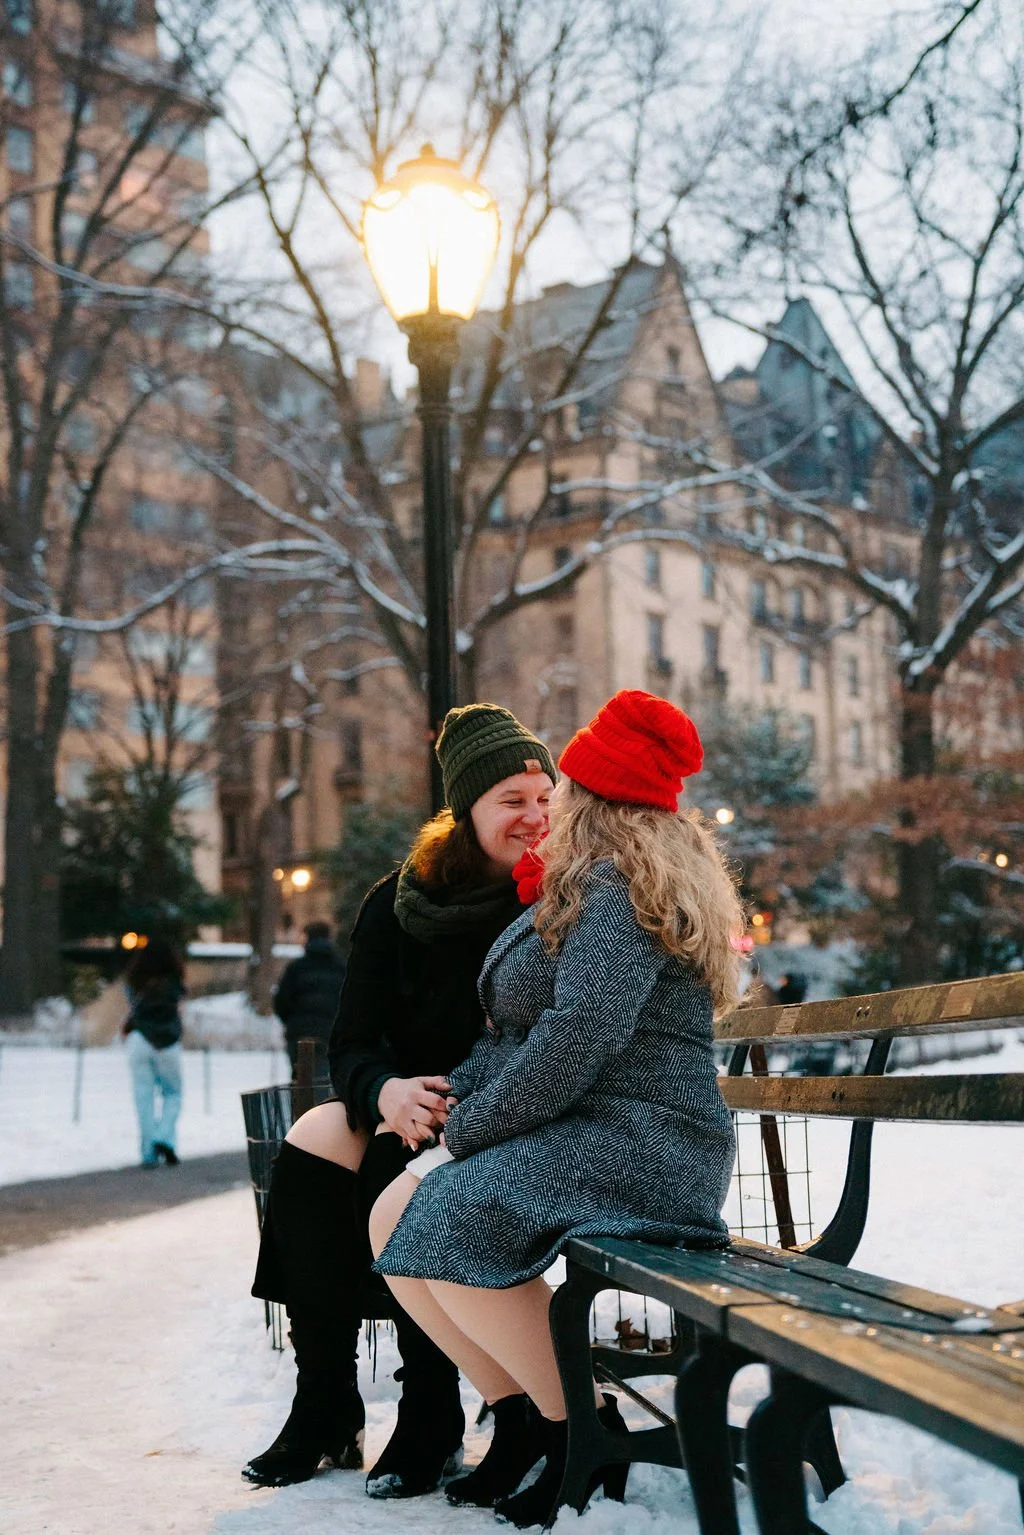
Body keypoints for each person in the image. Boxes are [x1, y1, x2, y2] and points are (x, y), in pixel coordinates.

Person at [369, 689, 746, 1528]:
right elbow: (528, 1034)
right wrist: (454, 1099)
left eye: (567, 782)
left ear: (596, 796)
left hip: (647, 1140)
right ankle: (521, 1419)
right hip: (600, 1125)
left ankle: (578, 1426)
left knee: (444, 1215)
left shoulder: (620, 887)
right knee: (394, 1222)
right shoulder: (589, 882)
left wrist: (468, 1129)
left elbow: (578, 1038)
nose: (555, 800)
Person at [242, 703, 557, 1499]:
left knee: (398, 1157)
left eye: (543, 794)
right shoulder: (400, 901)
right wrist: (386, 1089)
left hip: (500, 1109)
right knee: (312, 1142)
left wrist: (424, 1104)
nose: (535, 814)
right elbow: (351, 1039)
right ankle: (326, 1400)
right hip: (405, 1100)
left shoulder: (554, 895)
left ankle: (430, 1405)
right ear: (467, 808)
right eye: (512, 799)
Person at [122, 938, 187, 1169]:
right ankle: (164, 1136)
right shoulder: (176, 983)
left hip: (139, 1039)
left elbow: (130, 1006)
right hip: (168, 1042)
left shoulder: (134, 981)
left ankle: (148, 1152)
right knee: (173, 1094)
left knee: (143, 1097)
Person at [273, 921, 347, 1079]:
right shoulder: (341, 968)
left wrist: (293, 1022)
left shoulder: (296, 968)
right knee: (324, 1081)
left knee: (300, 1081)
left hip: (300, 1033)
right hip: (329, 1033)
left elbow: (281, 1002)